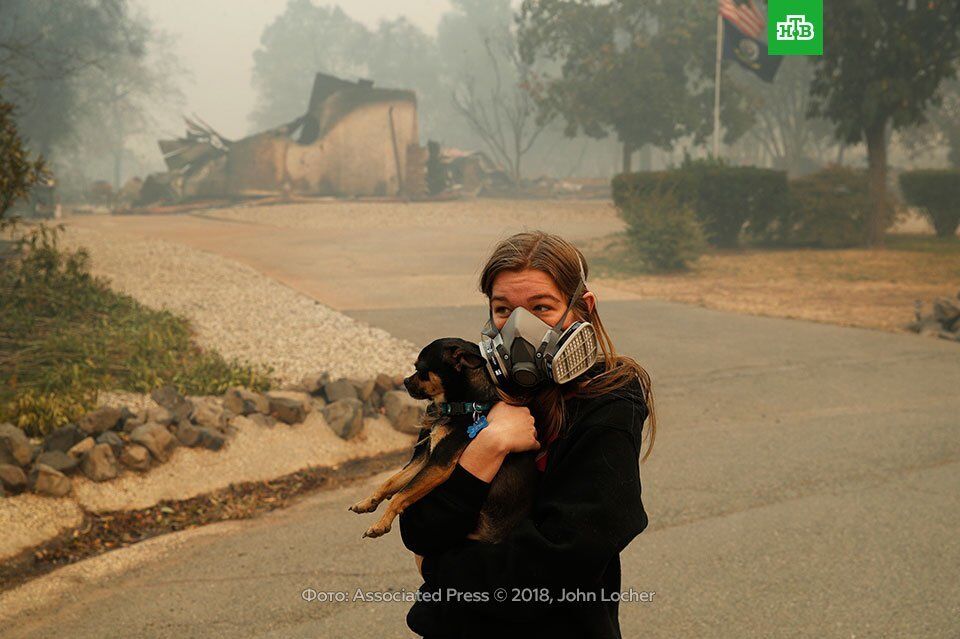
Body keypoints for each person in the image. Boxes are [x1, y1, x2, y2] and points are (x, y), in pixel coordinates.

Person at [399, 231, 657, 639]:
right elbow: (417, 528)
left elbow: (562, 562)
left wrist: (439, 568)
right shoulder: (468, 393)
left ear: (582, 309)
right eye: (504, 310)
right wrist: (488, 445)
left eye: (542, 307)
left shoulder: (608, 402)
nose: (520, 327)